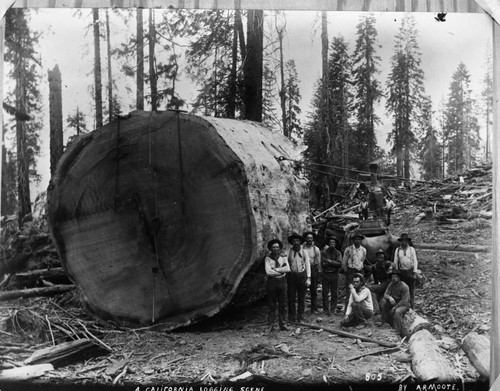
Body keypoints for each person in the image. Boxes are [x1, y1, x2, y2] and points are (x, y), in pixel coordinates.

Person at [264, 239, 290, 332]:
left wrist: (276, 270)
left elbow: (287, 269)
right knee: (271, 304)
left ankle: (283, 324)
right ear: (270, 248)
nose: (275, 249)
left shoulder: (283, 257)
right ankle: (270, 325)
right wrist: (280, 270)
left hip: (282, 282)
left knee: (283, 304)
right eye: (273, 247)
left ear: (279, 248)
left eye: (277, 247)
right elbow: (268, 272)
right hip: (272, 282)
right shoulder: (268, 258)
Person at [287, 232, 311, 322]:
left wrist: (308, 278)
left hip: (302, 275)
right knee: (291, 297)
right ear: (292, 242)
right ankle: (291, 316)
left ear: (300, 242)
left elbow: (307, 264)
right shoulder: (289, 252)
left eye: (297, 241)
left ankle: (300, 315)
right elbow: (286, 263)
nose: (296, 242)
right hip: (292, 276)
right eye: (294, 241)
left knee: (301, 297)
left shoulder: (304, 252)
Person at [379, 269, 410, 334]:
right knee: (383, 302)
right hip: (394, 302)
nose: (393, 278)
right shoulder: (391, 284)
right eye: (392, 277)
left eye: (395, 277)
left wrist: (395, 307)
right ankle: (384, 321)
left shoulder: (404, 287)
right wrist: (390, 297)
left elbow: (404, 301)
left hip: (403, 305)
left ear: (399, 278)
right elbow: (385, 294)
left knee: (397, 312)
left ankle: (397, 330)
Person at [393, 233, 418, 308]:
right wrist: (396, 273)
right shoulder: (398, 250)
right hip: (402, 272)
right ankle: (403, 306)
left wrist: (415, 272)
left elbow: (415, 261)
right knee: (402, 289)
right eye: (403, 241)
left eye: (405, 241)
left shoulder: (411, 249)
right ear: (401, 241)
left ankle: (412, 307)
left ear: (407, 241)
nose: (404, 242)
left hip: (410, 271)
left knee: (411, 291)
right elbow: (395, 262)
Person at [367, 249, 394, 315]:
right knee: (369, 288)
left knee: (370, 288)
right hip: (382, 284)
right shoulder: (374, 267)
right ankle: (375, 308)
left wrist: (390, 268)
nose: (380, 257)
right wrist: (375, 286)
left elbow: (393, 264)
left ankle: (376, 309)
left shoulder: (386, 263)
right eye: (379, 255)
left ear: (384, 256)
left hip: (388, 284)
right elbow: (376, 281)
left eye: (382, 255)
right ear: (377, 257)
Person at [321, 236, 342, 315]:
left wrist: (329, 261)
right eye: (330, 243)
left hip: (334, 274)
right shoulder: (324, 252)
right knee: (325, 293)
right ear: (328, 244)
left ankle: (333, 309)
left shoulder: (338, 253)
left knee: (334, 293)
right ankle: (326, 309)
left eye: (333, 243)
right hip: (326, 274)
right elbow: (323, 264)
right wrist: (333, 263)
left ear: (335, 244)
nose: (332, 244)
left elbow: (339, 264)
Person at [302, 231, 321, 314]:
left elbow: (318, 262)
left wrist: (318, 272)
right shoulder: (302, 248)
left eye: (311, 238)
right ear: (305, 239)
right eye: (308, 238)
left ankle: (314, 308)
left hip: (313, 269)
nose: (309, 239)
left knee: (313, 289)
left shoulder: (316, 249)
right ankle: (302, 308)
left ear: (313, 239)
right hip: (303, 269)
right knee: (303, 289)